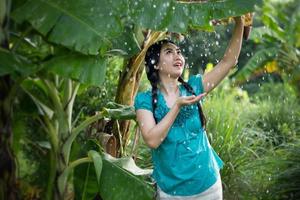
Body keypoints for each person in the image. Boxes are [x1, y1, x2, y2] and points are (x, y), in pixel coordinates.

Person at [134, 16, 244, 200]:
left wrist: (240, 22)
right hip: (172, 192)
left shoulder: (194, 86)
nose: (178, 55)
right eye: (169, 52)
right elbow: (152, 140)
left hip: (209, 185)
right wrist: (177, 106)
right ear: (156, 64)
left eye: (179, 51)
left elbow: (228, 62)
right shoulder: (144, 100)